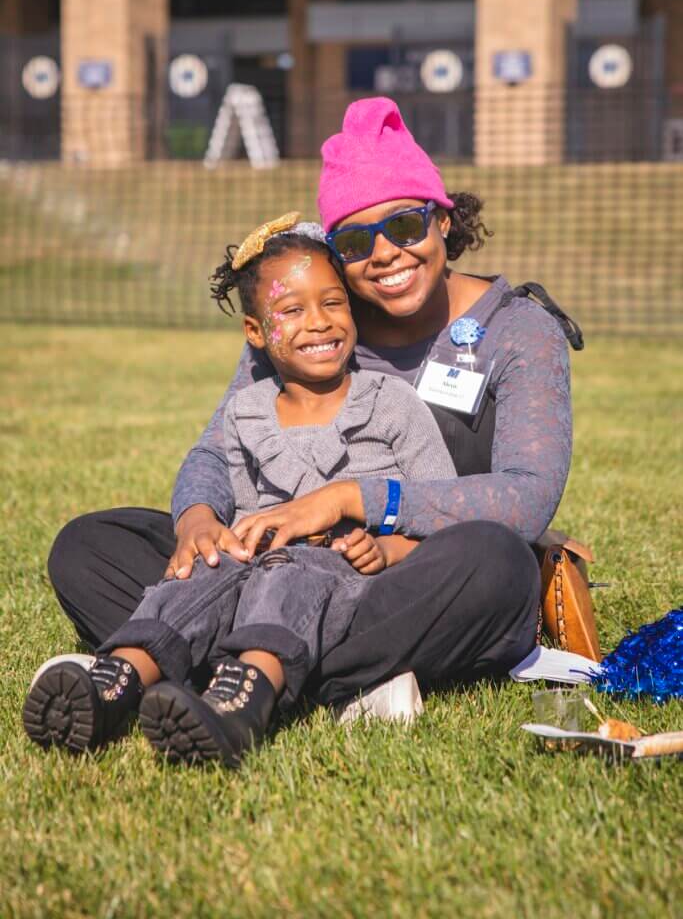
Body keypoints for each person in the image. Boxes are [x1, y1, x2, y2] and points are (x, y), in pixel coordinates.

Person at [47, 96, 579, 711]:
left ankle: (218, 663)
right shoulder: (319, 322)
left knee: (497, 565)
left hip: (399, 570)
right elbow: (218, 449)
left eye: (405, 225)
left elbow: (526, 496)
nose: (385, 253)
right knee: (88, 545)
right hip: (266, 567)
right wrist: (196, 519)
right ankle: (303, 676)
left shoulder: (518, 330)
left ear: (442, 220)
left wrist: (346, 501)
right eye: (355, 241)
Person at [24, 216, 457, 766]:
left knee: (294, 574)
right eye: (293, 310)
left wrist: (391, 549)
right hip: (247, 565)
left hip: (340, 577)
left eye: (333, 303)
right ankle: (115, 683)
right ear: (255, 333)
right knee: (192, 578)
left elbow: (444, 512)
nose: (319, 324)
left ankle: (242, 700)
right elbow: (225, 491)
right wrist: (202, 532)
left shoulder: (392, 404)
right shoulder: (247, 410)